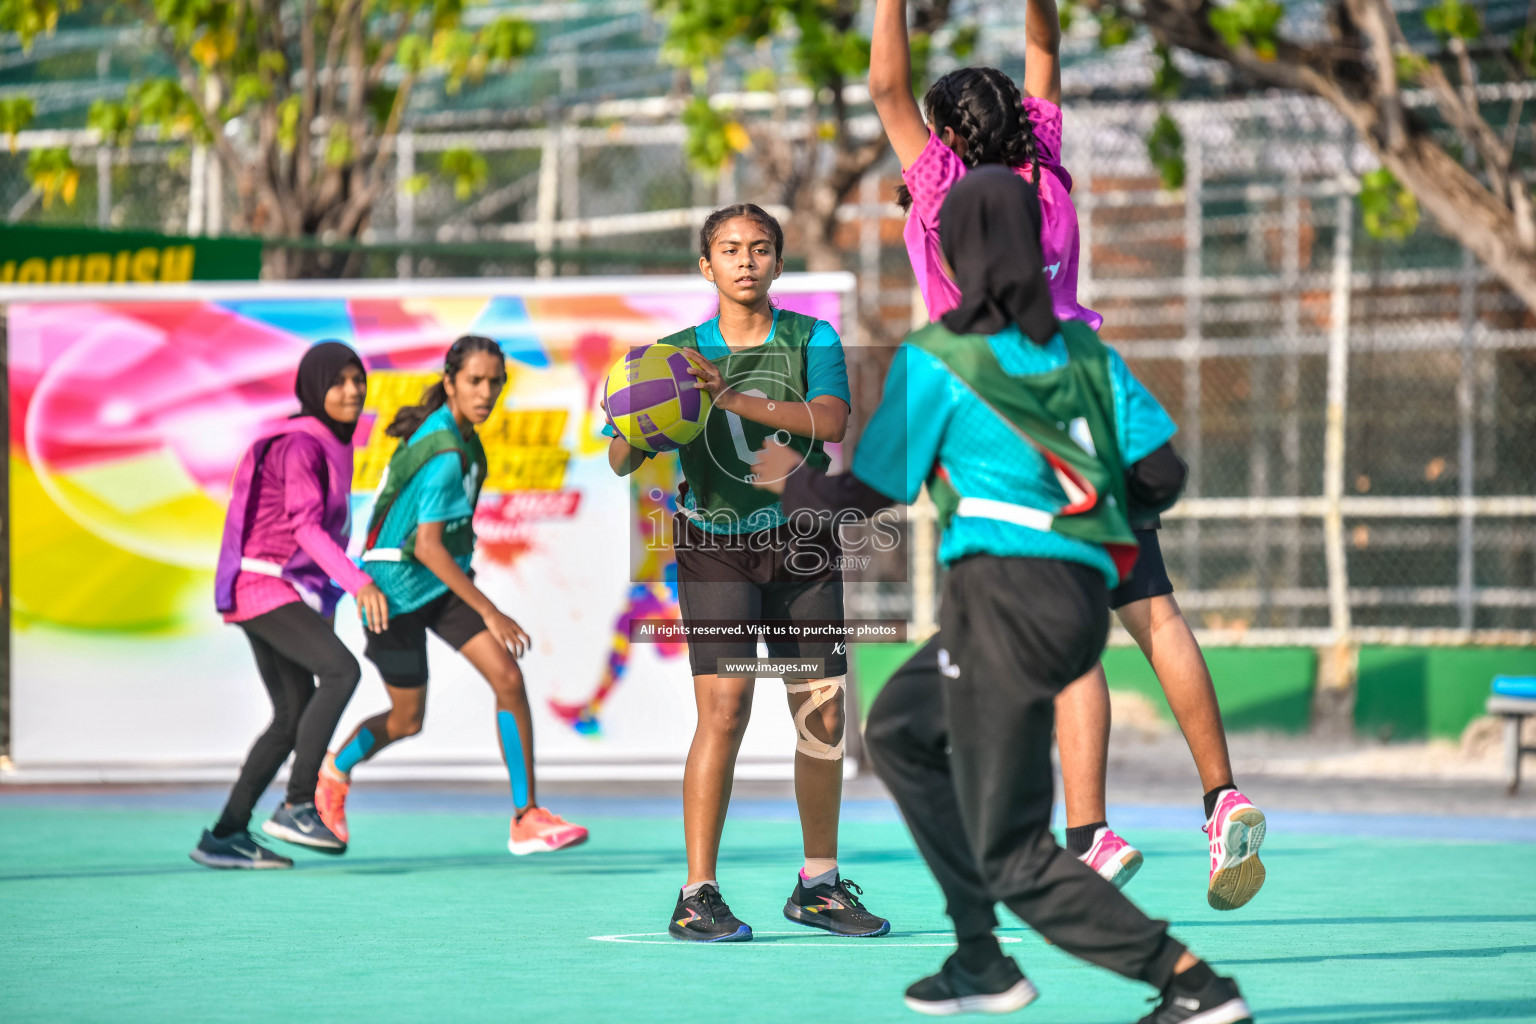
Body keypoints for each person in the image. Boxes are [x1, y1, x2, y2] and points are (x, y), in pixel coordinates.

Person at [757, 168, 1251, 1023]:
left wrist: (795, 486)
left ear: (952, 248)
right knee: (902, 728)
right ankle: (979, 955)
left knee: (1015, 850)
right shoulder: (1084, 350)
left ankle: (1193, 987)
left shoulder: (939, 357)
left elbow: (864, 497)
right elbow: (1161, 472)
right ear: (1038, 238)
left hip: (1003, 604)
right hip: (1073, 604)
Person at [868, 0, 1266, 909]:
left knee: (1057, 618)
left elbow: (886, 82)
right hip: (1090, 400)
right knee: (1153, 610)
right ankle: (1222, 795)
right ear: (1015, 117)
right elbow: (1043, 39)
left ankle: (1089, 829)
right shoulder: (1045, 168)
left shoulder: (944, 189)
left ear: (942, 135)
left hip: (1001, 415)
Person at [606, 204, 890, 942]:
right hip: (714, 545)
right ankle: (698, 892)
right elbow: (619, 457)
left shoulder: (809, 338)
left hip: (803, 542)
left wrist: (730, 396)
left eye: (760, 249)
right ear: (706, 266)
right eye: (729, 249)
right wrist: (642, 425)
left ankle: (818, 887)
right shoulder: (668, 355)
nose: (745, 260)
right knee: (725, 709)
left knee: (821, 715)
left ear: (777, 263)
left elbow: (830, 421)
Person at [316, 335, 588, 856]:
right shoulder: (443, 453)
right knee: (406, 720)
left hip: (436, 585)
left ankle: (525, 817)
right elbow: (428, 546)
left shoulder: (467, 441)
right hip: (393, 592)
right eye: (474, 382)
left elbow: (442, 551)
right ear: (449, 384)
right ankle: (334, 771)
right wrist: (491, 609)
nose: (486, 392)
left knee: (508, 677)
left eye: (495, 383)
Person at [192, 341, 387, 869]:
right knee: (342, 672)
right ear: (312, 387)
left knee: (290, 716)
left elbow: (313, 539)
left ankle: (224, 836)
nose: (352, 390)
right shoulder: (302, 445)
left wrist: (328, 600)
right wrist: (358, 584)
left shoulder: (329, 442)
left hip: (272, 589)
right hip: (261, 585)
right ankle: (299, 804)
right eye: (339, 380)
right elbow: (304, 526)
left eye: (358, 380)